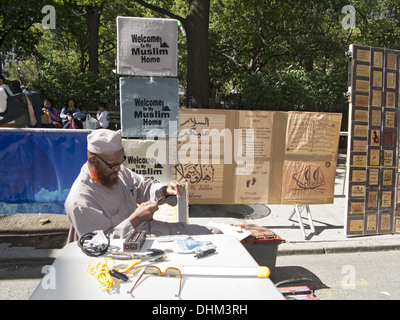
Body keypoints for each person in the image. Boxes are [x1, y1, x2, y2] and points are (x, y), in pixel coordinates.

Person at [65, 129, 220, 242]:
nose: (118, 169)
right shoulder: (80, 200)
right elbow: (99, 244)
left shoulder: (116, 171)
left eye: (121, 162)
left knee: (214, 234)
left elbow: (143, 186)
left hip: (146, 231)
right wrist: (135, 219)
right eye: (113, 165)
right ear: (93, 161)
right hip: (124, 250)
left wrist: (165, 190)